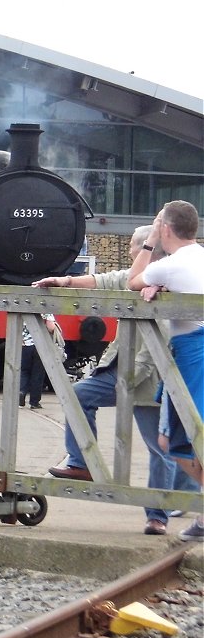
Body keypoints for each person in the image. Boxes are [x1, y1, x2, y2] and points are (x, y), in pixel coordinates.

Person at [37, 226, 194, 534]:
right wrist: (64, 280)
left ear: (144, 251)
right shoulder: (133, 278)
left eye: (133, 251)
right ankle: (82, 462)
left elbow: (155, 344)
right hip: (119, 369)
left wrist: (128, 380)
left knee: (158, 449)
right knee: (79, 394)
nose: (129, 255)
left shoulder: (163, 283)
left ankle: (157, 516)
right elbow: (101, 280)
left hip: (146, 379)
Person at [128, 200, 204, 542]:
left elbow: (133, 280)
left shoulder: (171, 264)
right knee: (177, 438)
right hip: (190, 351)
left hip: (191, 353)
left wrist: (148, 244)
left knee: (181, 439)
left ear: (166, 229)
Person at [18, 312, 59, 409]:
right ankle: (34, 402)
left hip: (25, 345)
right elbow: (51, 327)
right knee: (38, 374)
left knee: (24, 371)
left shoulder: (22, 307)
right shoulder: (45, 309)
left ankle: (21, 392)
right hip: (40, 346)